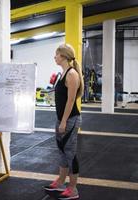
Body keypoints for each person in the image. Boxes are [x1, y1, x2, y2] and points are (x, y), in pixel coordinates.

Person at [44, 44, 84, 200]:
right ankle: (60, 181)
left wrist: (64, 122)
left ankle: (73, 189)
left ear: (63, 56)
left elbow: (71, 100)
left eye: (56, 54)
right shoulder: (62, 73)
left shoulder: (71, 74)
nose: (54, 57)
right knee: (61, 152)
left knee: (70, 153)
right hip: (61, 118)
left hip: (70, 119)